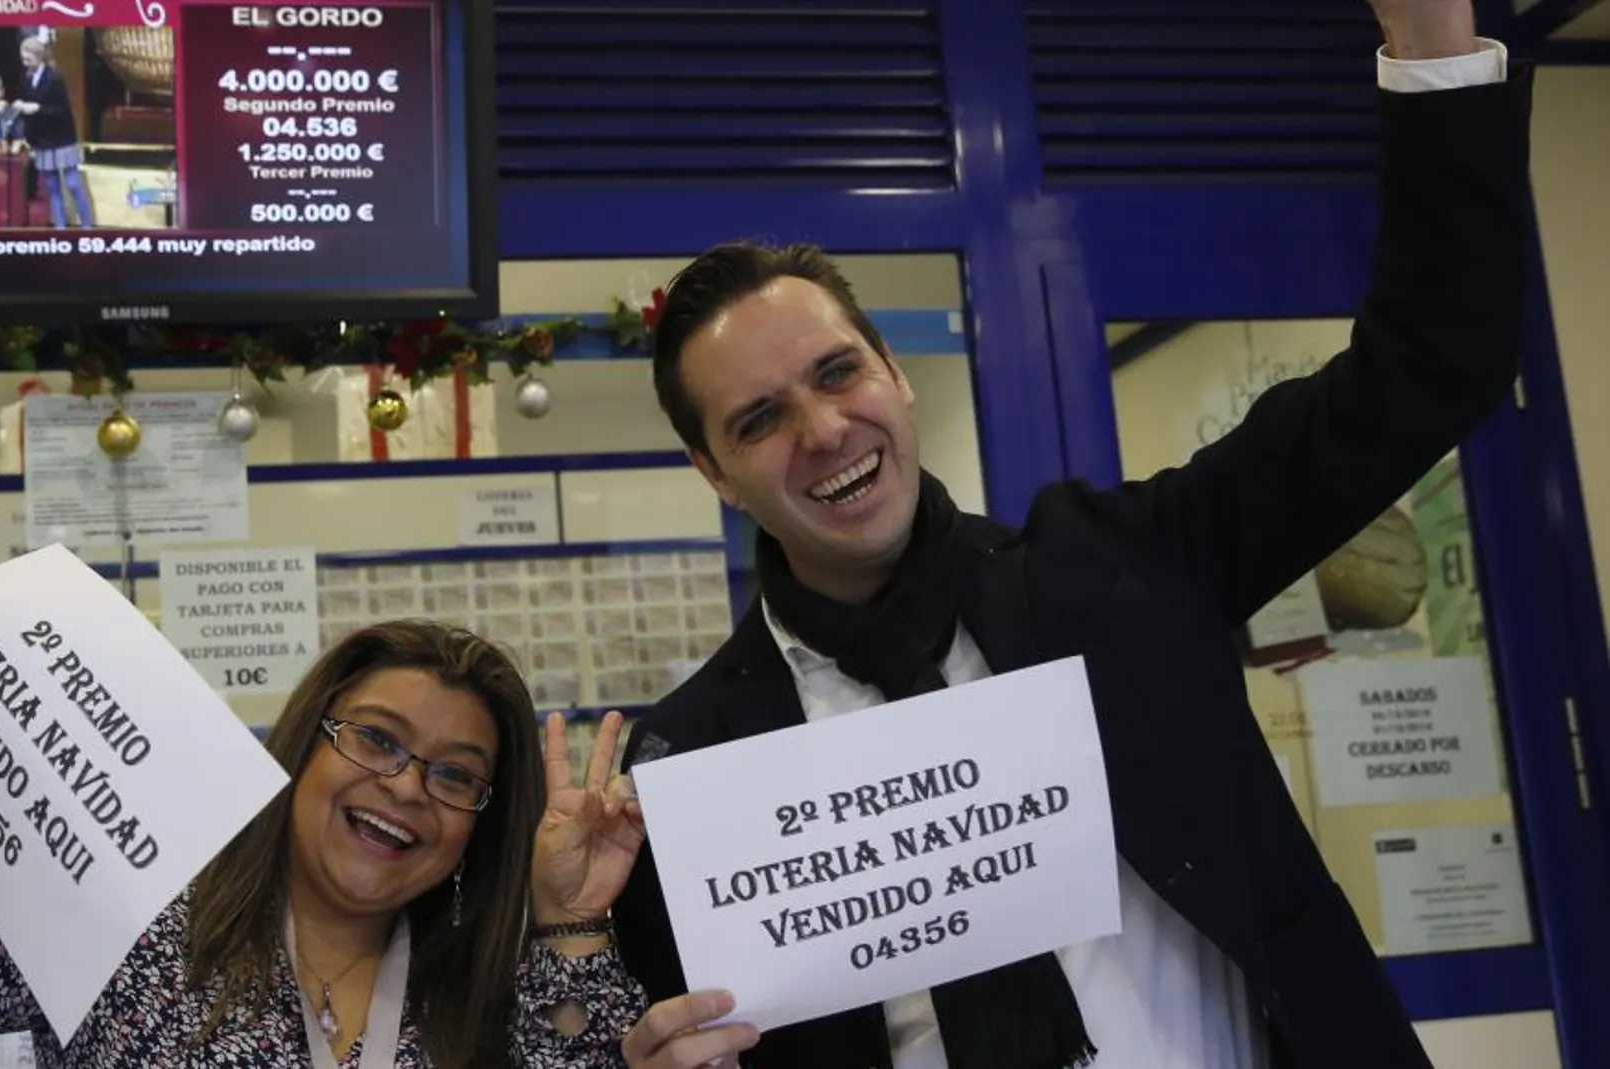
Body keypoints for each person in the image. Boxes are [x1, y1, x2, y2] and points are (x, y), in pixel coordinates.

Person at [610, 3, 1531, 1068]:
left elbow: (1432, 363)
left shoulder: (1130, 563)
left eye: (837, 373)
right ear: (712, 472)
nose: (821, 432)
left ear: (895, 374)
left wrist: (1430, 40)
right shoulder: (692, 768)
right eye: (758, 420)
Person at [0, 566, 650, 1068]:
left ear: (476, 826)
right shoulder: (125, 916)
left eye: (456, 774)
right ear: (303, 752)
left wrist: (570, 919)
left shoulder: (491, 984)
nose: (409, 785)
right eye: (377, 739)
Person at [12, 36, 93, 229]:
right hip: (43, 140)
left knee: (73, 184)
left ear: (39, 57)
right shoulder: (25, 78)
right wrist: (21, 107)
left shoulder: (54, 77)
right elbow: (26, 105)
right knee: (53, 187)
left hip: (62, 138)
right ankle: (60, 229)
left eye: (28, 59)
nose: (25, 63)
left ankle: (87, 226)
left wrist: (37, 108)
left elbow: (62, 110)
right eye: (23, 59)